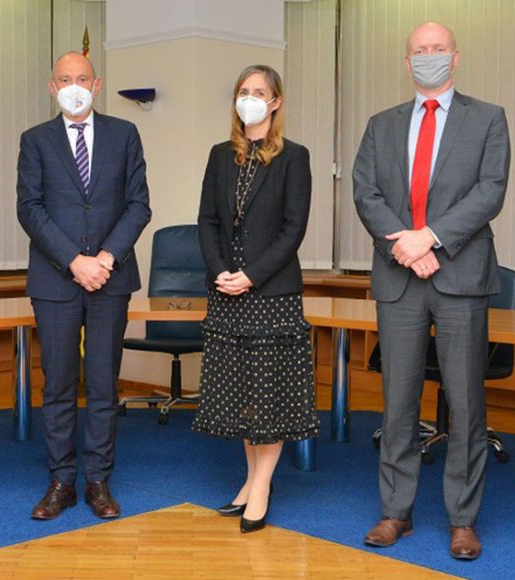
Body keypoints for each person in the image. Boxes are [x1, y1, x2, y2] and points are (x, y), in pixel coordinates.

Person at [352, 22, 510, 561]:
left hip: (460, 275)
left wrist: (431, 238)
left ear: (455, 57)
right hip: (399, 276)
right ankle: (395, 511)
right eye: (419, 51)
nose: (428, 56)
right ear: (407, 62)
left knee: (465, 403)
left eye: (437, 49)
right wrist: (406, 245)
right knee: (397, 402)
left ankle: (463, 519)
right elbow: (366, 192)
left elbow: (490, 191)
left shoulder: (487, 118)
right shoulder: (381, 125)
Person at [17, 52, 151, 521]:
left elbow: (139, 205)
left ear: (96, 85)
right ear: (52, 87)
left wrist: (105, 259)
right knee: (57, 383)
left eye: (81, 78)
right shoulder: (35, 140)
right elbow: (30, 208)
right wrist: (75, 262)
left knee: (102, 384)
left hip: (111, 279)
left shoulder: (124, 134)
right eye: (64, 79)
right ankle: (61, 481)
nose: (73, 86)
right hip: (55, 279)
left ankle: (98, 481)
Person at [193, 65, 320, 534]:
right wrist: (221, 272)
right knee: (242, 395)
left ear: (276, 102)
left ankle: (262, 486)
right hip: (227, 292)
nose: (249, 98)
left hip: (272, 294)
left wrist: (251, 275)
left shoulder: (294, 157)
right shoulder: (220, 155)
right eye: (243, 91)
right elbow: (207, 220)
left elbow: (293, 228)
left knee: (269, 397)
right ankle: (250, 480)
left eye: (259, 91)